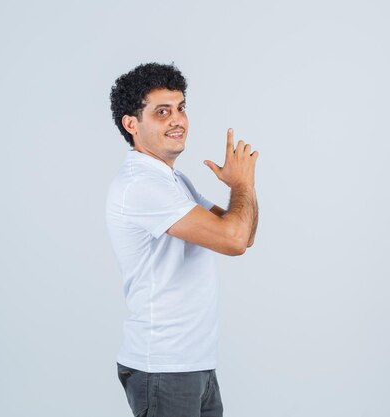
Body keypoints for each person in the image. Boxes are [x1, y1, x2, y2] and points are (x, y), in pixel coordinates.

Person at [106, 62, 258, 417]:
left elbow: (243, 233)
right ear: (132, 124)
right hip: (164, 367)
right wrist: (242, 184)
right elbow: (234, 239)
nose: (178, 120)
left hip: (193, 362)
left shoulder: (173, 181)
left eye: (180, 108)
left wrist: (243, 189)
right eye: (162, 112)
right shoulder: (141, 185)